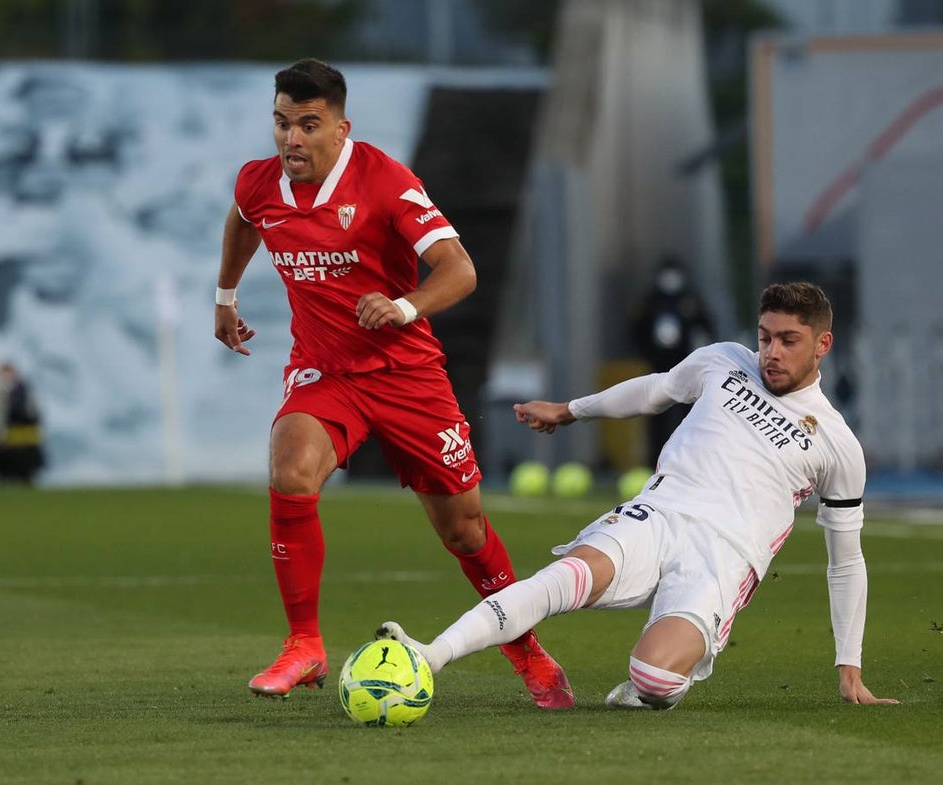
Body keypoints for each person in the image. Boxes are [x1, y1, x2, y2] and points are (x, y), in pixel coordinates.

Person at [212, 58, 572, 708]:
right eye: (282, 122)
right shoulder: (259, 183)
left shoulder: (384, 181)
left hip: (408, 377)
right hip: (326, 372)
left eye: (308, 125)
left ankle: (528, 652)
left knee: (464, 531)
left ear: (341, 128)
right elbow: (243, 219)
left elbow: (459, 270)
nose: (291, 139)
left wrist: (404, 305)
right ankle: (304, 644)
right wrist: (224, 297)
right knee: (291, 469)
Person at [378, 282, 899, 709]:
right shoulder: (723, 360)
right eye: (764, 338)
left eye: (788, 341)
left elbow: (846, 563)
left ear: (822, 345)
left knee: (652, 680)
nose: (771, 353)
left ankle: (659, 677)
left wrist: (848, 667)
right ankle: (430, 655)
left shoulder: (837, 444)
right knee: (562, 579)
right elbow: (656, 390)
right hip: (659, 513)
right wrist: (570, 410)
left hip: (723, 556)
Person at [632, 255, 715, 459]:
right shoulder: (650, 301)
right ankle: (655, 459)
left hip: (686, 366)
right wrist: (647, 354)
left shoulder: (691, 299)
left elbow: (706, 327)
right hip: (658, 365)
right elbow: (637, 331)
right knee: (656, 414)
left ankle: (688, 457)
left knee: (688, 415)